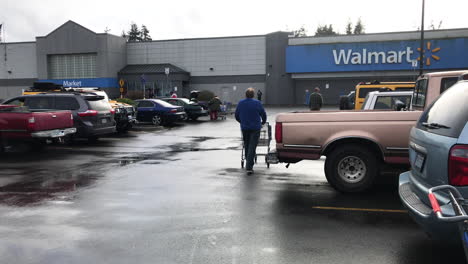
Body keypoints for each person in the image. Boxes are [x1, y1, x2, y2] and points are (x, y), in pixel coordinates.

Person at [235, 88, 267, 175]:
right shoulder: (257, 103)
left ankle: (248, 163)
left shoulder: (241, 103)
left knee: (247, 145)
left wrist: (242, 121)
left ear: (245, 94)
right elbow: (263, 113)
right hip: (255, 127)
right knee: (252, 146)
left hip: (245, 127)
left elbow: (236, 115)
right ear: (253, 95)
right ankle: (249, 166)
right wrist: (263, 122)